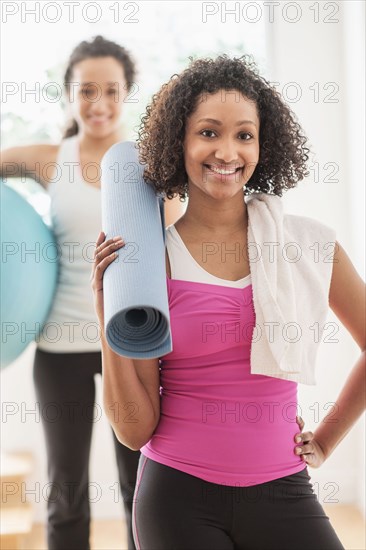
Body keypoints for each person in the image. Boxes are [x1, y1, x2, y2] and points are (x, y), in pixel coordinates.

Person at [91, 55, 365, 549]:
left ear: (264, 145)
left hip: (283, 490)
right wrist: (107, 314)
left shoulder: (308, 246)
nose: (227, 150)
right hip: (177, 496)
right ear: (181, 142)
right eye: (209, 132)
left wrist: (324, 440)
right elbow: (134, 432)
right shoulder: (152, 263)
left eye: (244, 135)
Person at [0, 36, 184, 550]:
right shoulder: (46, 159)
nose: (99, 104)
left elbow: (173, 250)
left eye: (111, 90)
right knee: (67, 493)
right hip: (60, 346)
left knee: (139, 490)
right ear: (68, 94)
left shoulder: (152, 164)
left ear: (127, 93)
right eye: (86, 90)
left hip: (134, 343)